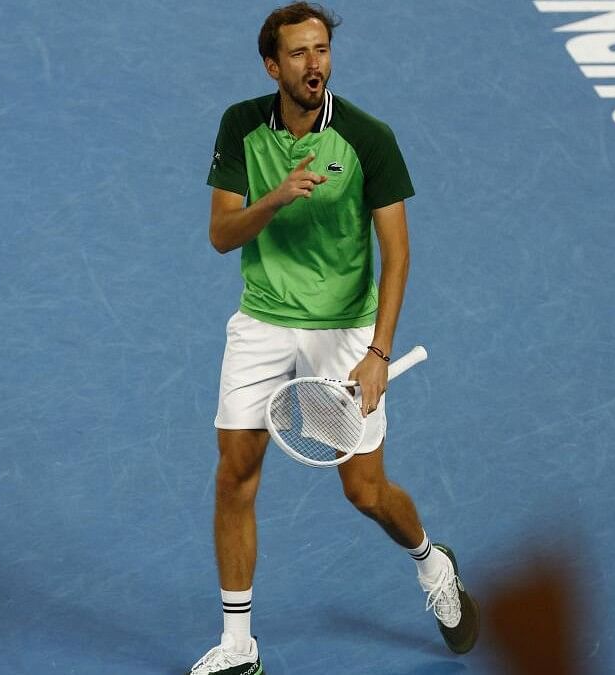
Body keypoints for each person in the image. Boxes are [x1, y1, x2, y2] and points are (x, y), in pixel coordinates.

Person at [188, 3, 479, 673]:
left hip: (345, 331)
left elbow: (397, 254)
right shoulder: (240, 127)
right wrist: (276, 197)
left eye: (321, 50)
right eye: (298, 53)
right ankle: (238, 646)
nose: (314, 62)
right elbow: (221, 235)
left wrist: (377, 354)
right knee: (234, 475)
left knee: (365, 492)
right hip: (262, 319)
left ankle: (432, 563)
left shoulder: (367, 137)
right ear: (273, 65)